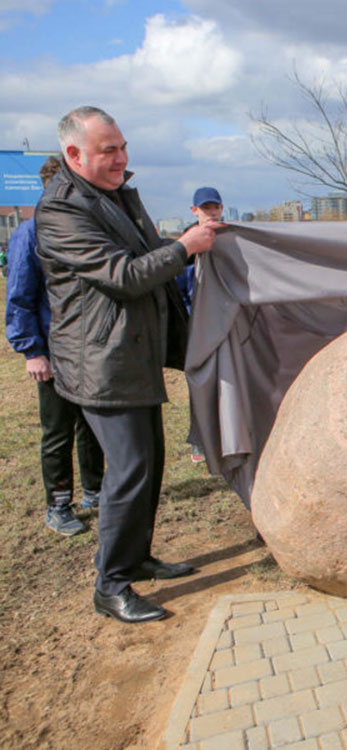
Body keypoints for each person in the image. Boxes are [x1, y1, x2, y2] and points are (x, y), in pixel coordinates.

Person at [35, 106, 219, 623]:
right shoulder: (61, 210)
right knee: (130, 469)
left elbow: (143, 250)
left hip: (131, 354)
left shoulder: (112, 195)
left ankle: (136, 557)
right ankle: (110, 584)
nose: (121, 159)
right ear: (74, 154)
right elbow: (123, 275)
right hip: (101, 362)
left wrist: (188, 240)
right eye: (108, 151)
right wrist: (185, 247)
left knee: (150, 464)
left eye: (122, 147)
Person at [5, 156, 104, 536]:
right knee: (58, 429)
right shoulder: (30, 234)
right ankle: (58, 503)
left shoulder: (81, 228)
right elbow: (19, 296)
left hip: (86, 349)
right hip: (51, 350)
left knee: (91, 425)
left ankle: (95, 491)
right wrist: (32, 350)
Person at [175, 186, 224, 463]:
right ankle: (199, 440)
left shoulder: (229, 238)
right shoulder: (187, 244)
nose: (211, 212)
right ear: (195, 211)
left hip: (226, 323)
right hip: (197, 327)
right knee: (200, 383)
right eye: (206, 208)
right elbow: (178, 289)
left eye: (215, 207)